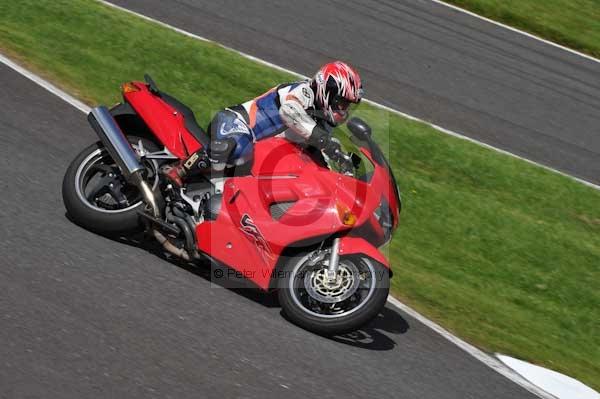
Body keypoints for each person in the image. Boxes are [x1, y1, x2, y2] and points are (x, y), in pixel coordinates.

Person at [163, 61, 363, 186]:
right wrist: (325, 140)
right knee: (240, 147)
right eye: (341, 102)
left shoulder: (323, 125)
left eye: (347, 106)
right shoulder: (303, 91)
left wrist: (344, 173)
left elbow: (322, 158)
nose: (343, 110)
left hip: (260, 154)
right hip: (237, 122)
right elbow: (289, 112)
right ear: (325, 90)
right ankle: (180, 170)